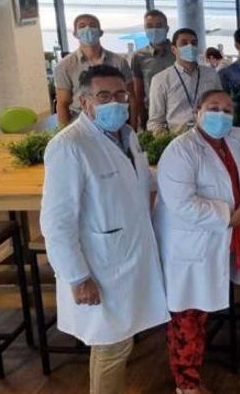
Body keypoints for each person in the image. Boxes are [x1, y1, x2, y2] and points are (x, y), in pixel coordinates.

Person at [41, 65, 169, 394]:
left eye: (120, 95)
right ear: (83, 102)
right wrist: (77, 276)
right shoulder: (69, 146)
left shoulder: (127, 136)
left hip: (128, 255)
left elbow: (137, 183)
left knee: (120, 343)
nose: (115, 103)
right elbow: (57, 221)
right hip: (100, 265)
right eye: (103, 96)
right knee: (110, 346)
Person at [154, 89, 240, 394]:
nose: (222, 115)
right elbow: (181, 203)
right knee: (188, 314)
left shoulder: (239, 139)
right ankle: (186, 384)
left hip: (223, 237)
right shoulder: (181, 150)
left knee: (202, 309)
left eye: (228, 110)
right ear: (197, 110)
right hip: (192, 244)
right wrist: (229, 216)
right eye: (214, 108)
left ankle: (192, 375)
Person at [54, 13, 134, 127]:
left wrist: (133, 128)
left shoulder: (119, 62)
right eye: (82, 26)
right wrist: (64, 132)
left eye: (92, 25)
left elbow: (131, 98)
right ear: (75, 34)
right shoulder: (64, 66)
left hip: (115, 122)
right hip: (81, 123)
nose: (88, 29)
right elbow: (62, 103)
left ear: (100, 32)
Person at [148, 28, 223, 134]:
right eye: (184, 43)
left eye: (194, 43)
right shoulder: (160, 79)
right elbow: (155, 122)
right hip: (177, 138)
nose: (190, 46)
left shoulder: (211, 74)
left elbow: (221, 106)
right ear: (174, 49)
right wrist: (167, 142)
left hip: (209, 136)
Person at [132, 9, 176, 128]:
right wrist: (139, 118)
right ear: (145, 30)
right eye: (150, 26)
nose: (154, 30)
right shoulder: (139, 56)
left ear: (167, 29)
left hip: (177, 111)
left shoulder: (178, 53)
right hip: (151, 112)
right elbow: (138, 92)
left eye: (159, 26)